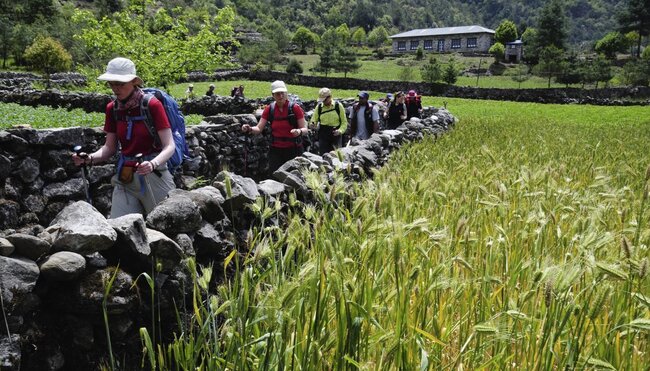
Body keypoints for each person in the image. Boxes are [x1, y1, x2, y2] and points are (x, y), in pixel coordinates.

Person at [71, 57, 176, 218]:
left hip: (154, 175)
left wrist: (153, 164)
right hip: (125, 176)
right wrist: (89, 158)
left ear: (134, 82)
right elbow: (109, 148)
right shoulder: (112, 109)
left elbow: (169, 145)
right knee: (121, 230)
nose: (115, 88)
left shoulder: (152, 105)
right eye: (112, 83)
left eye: (120, 83)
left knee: (166, 227)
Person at [241, 80, 307, 173]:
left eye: (282, 93)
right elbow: (259, 128)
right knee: (276, 176)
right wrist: (250, 129)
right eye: (277, 94)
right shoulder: (269, 109)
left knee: (295, 176)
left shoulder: (295, 108)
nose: (280, 96)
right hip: (275, 150)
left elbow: (304, 129)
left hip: (294, 149)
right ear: (273, 95)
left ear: (286, 93)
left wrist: (299, 131)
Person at [310, 87, 347, 155]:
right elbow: (313, 120)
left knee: (336, 156)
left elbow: (344, 122)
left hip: (336, 134)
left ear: (330, 97)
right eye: (322, 100)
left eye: (325, 100)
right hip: (323, 135)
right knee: (323, 155)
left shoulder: (338, 106)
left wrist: (340, 131)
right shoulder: (319, 107)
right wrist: (313, 125)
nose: (323, 102)